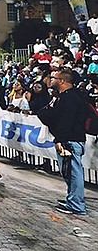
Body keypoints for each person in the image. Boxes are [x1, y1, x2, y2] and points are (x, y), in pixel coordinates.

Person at [48, 68, 87, 215]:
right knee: (69, 172)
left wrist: (60, 140)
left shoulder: (69, 98)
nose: (51, 80)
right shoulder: (71, 96)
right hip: (71, 139)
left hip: (70, 140)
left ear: (62, 81)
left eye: (54, 78)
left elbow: (66, 121)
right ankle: (72, 199)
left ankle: (76, 205)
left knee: (73, 173)